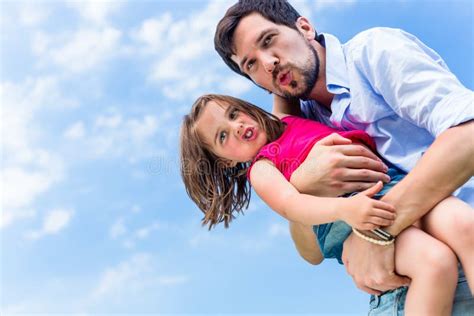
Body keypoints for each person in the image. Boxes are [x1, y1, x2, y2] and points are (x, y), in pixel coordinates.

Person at [213, 0, 474, 314]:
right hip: (406, 283)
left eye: (268, 40)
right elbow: (311, 253)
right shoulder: (302, 127)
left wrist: (375, 232)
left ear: (305, 28)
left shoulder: (374, 52)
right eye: (251, 65)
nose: (268, 63)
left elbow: (469, 133)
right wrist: (303, 186)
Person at [179, 94, 473, 314]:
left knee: (466, 225)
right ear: (226, 161)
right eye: (222, 136)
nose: (236, 126)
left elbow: (277, 78)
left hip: (395, 187)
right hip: (348, 216)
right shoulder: (262, 168)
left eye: (233, 114)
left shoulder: (285, 119)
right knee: (434, 262)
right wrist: (347, 210)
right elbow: (292, 205)